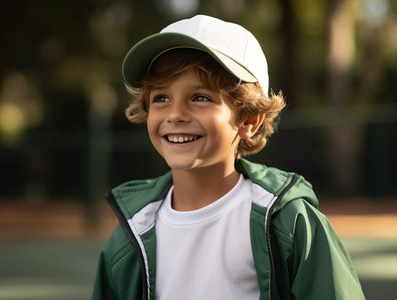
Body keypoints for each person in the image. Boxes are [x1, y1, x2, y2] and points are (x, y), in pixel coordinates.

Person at [92, 15, 365, 300]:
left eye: (200, 97)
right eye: (161, 98)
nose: (175, 114)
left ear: (249, 120)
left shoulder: (291, 223)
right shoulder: (130, 232)